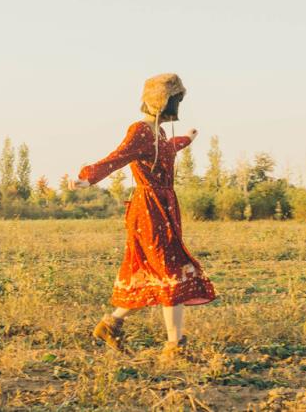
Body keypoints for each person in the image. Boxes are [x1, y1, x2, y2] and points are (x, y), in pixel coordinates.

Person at [68, 73, 216, 363]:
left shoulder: (158, 133)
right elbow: (118, 156)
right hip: (149, 210)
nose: (177, 106)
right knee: (170, 271)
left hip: (163, 207)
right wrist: (88, 178)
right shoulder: (140, 130)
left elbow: (167, 150)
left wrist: (187, 139)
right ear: (162, 101)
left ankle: (111, 325)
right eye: (174, 100)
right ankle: (175, 347)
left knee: (157, 272)